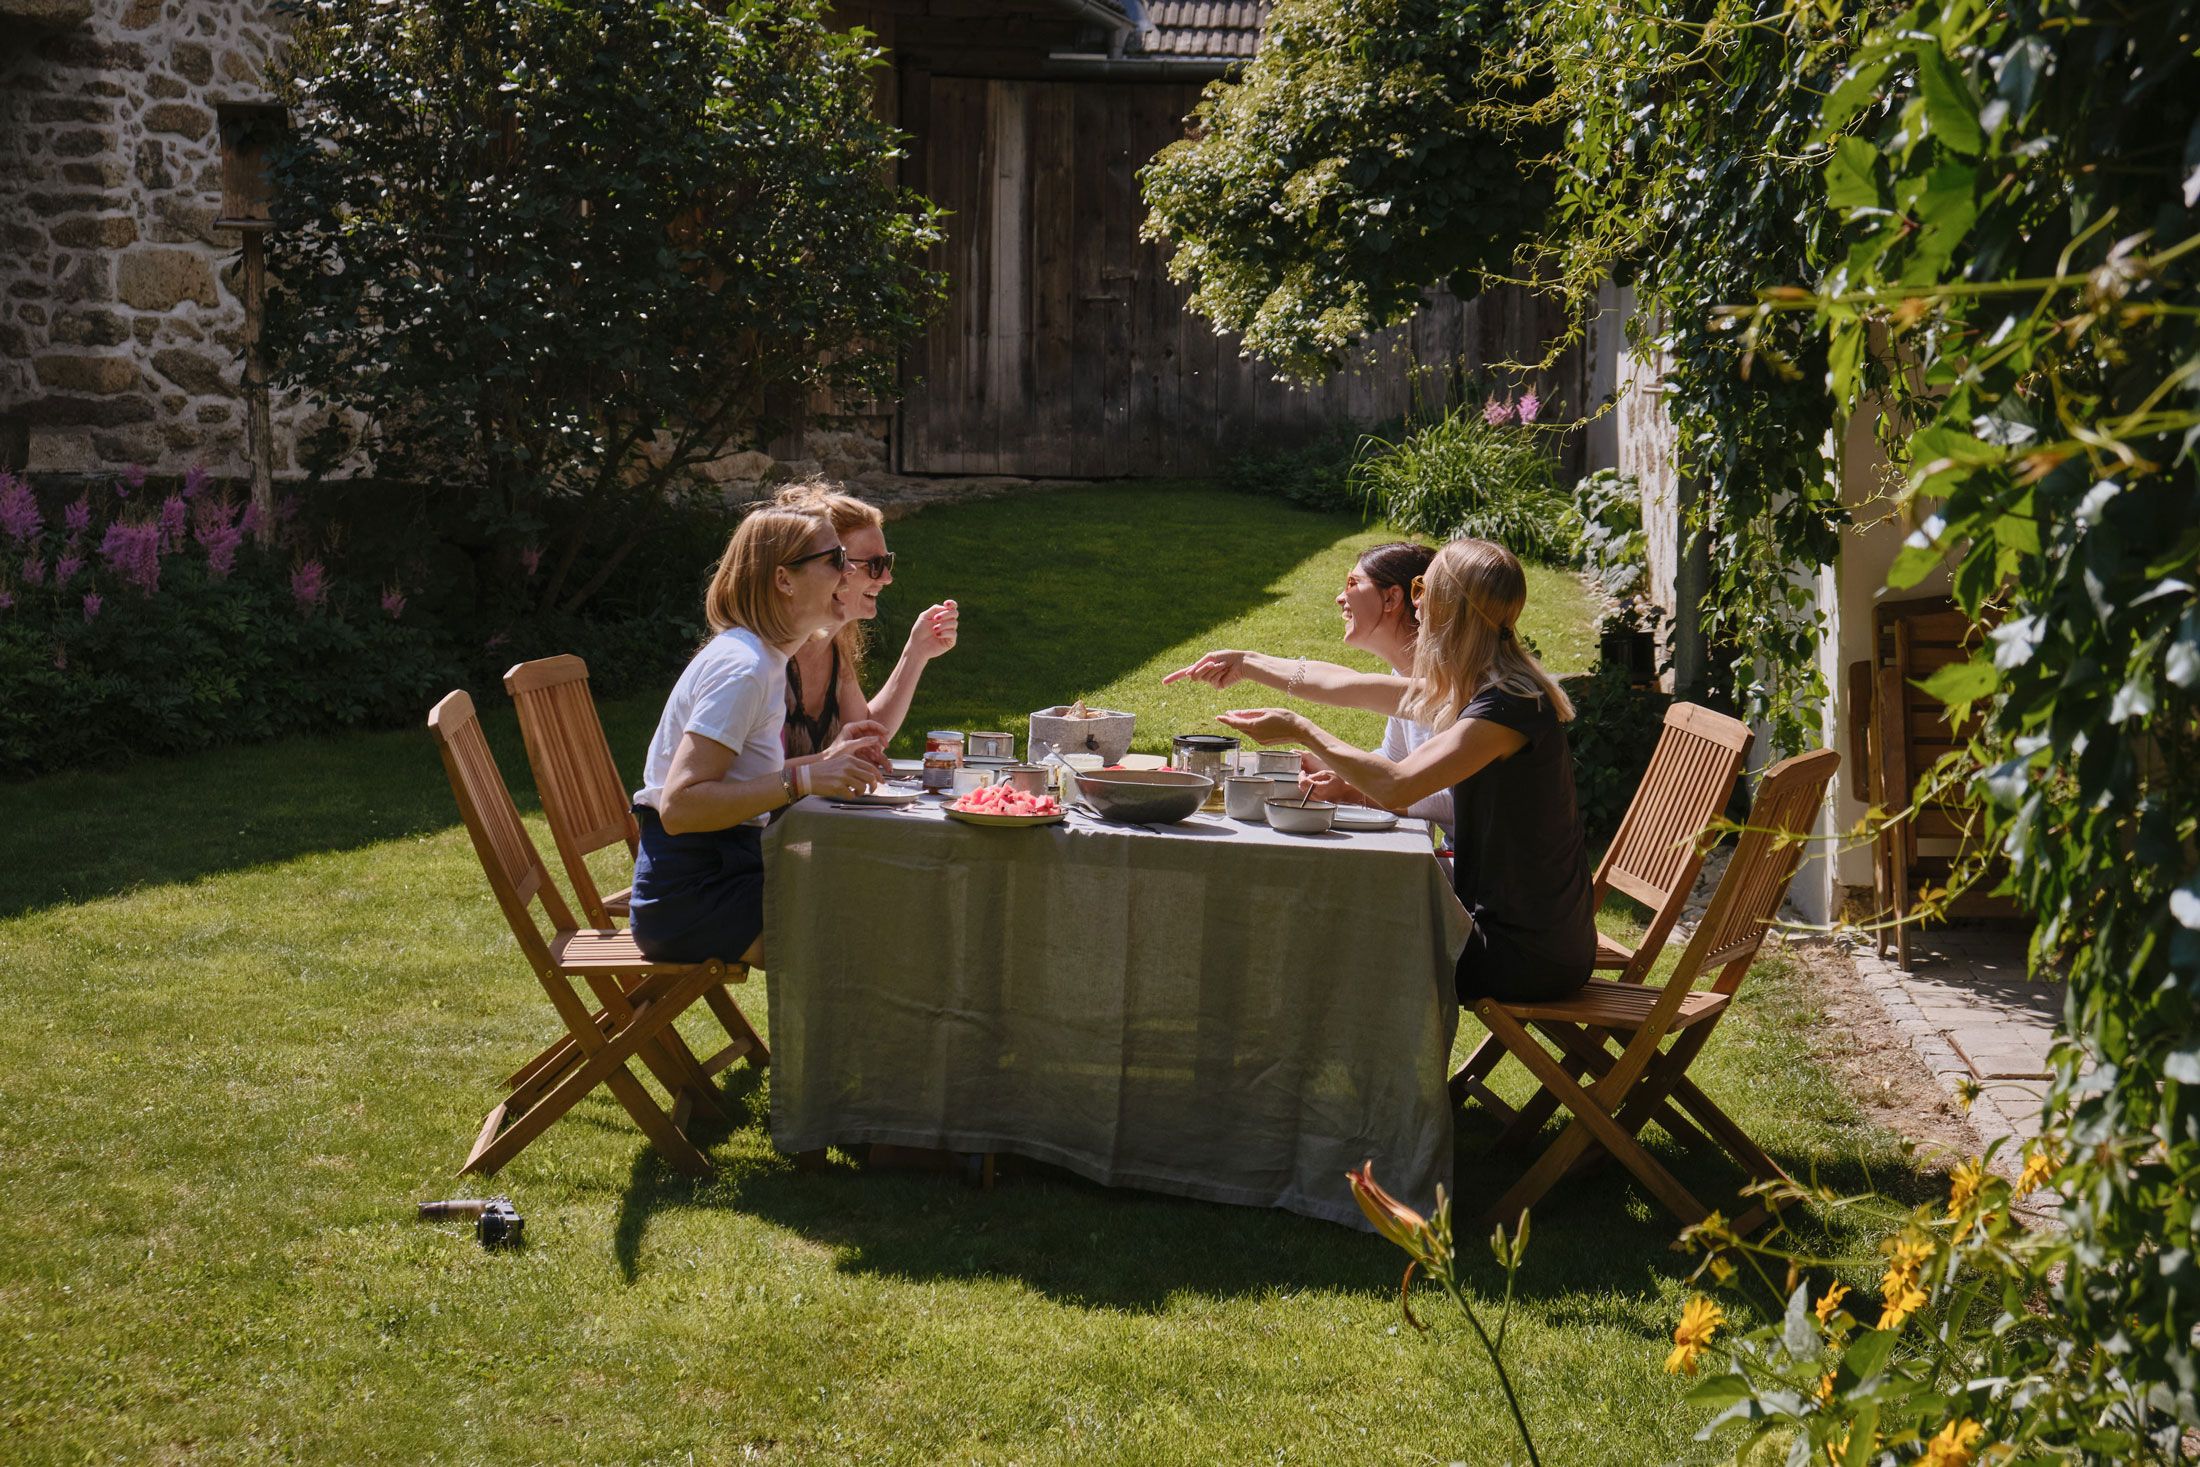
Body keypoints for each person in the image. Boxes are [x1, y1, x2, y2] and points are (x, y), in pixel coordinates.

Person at [1215, 539, 1595, 1005]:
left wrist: (1302, 730)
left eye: (1422, 588)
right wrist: (1246, 663)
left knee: (1334, 934)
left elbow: (1397, 786)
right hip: (1512, 931)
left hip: (1521, 953)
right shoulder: (1480, 687)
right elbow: (1344, 684)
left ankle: (1341, 1053)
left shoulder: (1505, 708)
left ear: (1450, 606)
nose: (1416, 604)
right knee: (1332, 914)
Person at [628, 507, 888, 964]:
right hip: (694, 897)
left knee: (878, 895)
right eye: (835, 559)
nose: (849, 571)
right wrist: (803, 780)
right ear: (784, 579)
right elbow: (680, 806)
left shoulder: (762, 660)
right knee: (868, 935)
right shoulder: (743, 670)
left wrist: (825, 762)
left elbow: (734, 782)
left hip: (727, 872)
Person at [1162, 542, 1454, 844]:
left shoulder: (1457, 686)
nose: (1340, 597)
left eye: (1352, 583)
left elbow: (1450, 802)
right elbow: (1393, 761)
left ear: (1392, 597)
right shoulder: (1405, 674)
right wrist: (1332, 764)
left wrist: (1350, 791)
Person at [772, 484, 959, 760]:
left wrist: (916, 653)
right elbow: (744, 778)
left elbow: (866, 737)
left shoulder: (834, 645)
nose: (886, 578)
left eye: (887, 563)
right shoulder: (762, 657)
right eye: (873, 565)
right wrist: (825, 765)